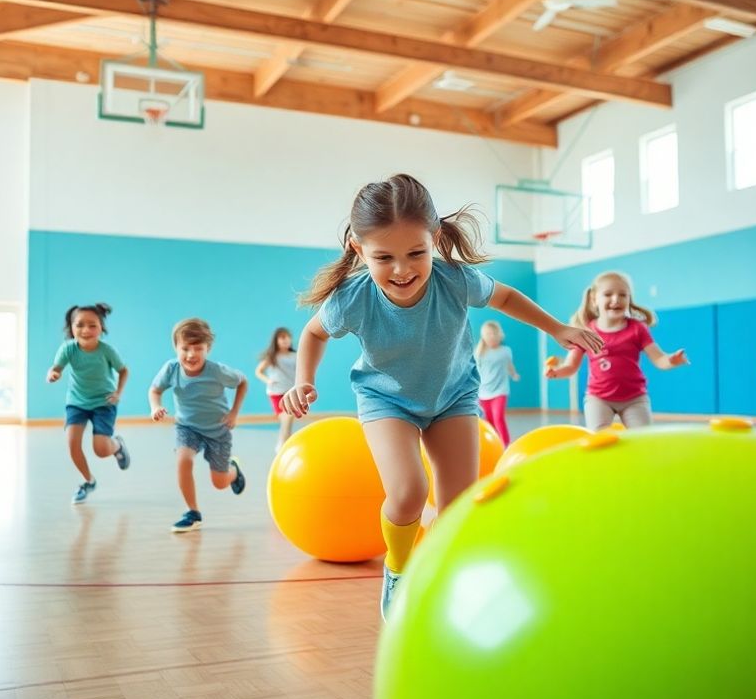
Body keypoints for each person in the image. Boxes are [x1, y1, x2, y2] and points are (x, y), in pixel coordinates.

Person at [280, 174, 602, 619]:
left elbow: (506, 297)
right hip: (386, 401)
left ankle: (438, 572)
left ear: (434, 237)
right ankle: (398, 567)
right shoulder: (353, 297)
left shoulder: (455, 280)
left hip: (453, 396)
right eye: (383, 258)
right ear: (358, 249)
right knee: (409, 492)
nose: (402, 270)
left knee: (455, 510)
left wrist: (558, 329)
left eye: (416, 253)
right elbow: (314, 333)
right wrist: (302, 379)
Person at [545, 270, 689, 430]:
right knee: (600, 436)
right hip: (598, 398)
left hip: (634, 398)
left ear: (629, 299)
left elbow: (659, 358)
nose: (616, 299)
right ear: (594, 299)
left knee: (642, 436)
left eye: (623, 295)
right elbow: (571, 366)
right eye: (608, 294)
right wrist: (556, 372)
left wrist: (671, 360)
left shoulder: (637, 329)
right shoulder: (586, 332)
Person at [149, 318, 248, 532]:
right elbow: (155, 390)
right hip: (187, 427)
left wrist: (234, 413)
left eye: (198, 348)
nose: (191, 354)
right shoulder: (171, 369)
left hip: (218, 431)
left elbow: (242, 382)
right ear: (176, 347)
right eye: (185, 348)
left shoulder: (217, 371)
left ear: (207, 348)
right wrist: (155, 406)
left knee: (219, 483)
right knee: (183, 460)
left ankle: (233, 471)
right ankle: (192, 513)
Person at [46, 303, 130, 504]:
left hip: (104, 402)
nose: (86, 330)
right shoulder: (68, 349)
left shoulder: (107, 351)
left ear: (101, 327)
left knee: (101, 450)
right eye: (80, 325)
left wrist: (118, 393)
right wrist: (53, 374)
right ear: (71, 328)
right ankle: (88, 481)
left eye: (92, 325)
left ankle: (117, 445)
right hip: (77, 402)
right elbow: (55, 368)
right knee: (72, 443)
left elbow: (123, 370)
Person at [475, 320, 520, 444]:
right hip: (484, 392)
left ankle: (505, 445)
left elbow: (509, 365)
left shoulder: (505, 351)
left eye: (494, 333)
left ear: (500, 335)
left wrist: (513, 374)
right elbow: (476, 371)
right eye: (488, 334)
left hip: (500, 390)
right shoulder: (479, 352)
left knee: (498, 418)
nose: (492, 336)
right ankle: (495, 444)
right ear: (483, 337)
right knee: (489, 421)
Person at [255, 327, 299, 450]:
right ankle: (283, 444)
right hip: (276, 392)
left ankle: (284, 443)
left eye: (287, 337)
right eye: (282, 337)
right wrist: (268, 380)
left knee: (288, 419)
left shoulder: (295, 356)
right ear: (276, 341)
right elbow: (259, 371)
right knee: (286, 417)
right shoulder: (273, 357)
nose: (285, 340)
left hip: (291, 392)